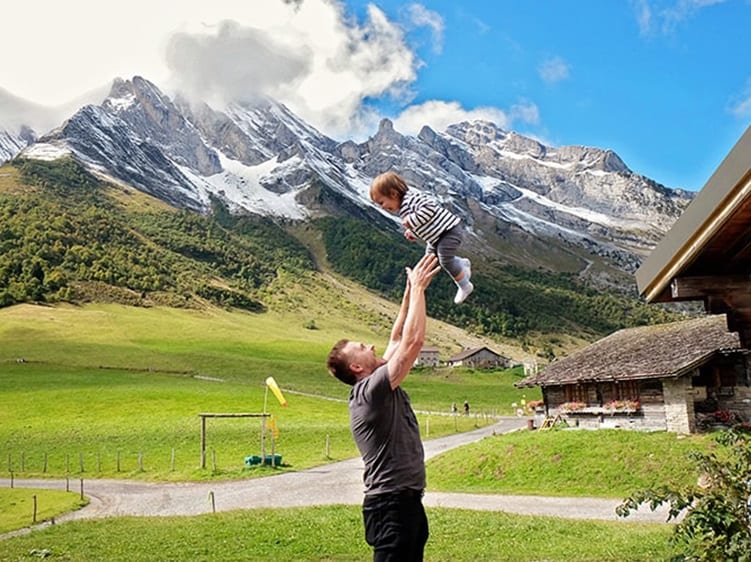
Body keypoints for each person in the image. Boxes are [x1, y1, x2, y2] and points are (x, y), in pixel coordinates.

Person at [326, 253, 442, 561]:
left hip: (405, 502)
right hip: (391, 506)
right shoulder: (371, 390)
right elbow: (412, 343)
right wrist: (417, 289)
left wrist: (410, 291)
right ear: (356, 366)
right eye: (364, 348)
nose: (373, 346)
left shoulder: (375, 379)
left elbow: (398, 334)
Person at [370, 171, 474, 304]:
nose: (382, 207)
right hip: (436, 236)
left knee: (445, 260)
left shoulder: (411, 199)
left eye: (381, 202)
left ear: (393, 193)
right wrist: (412, 231)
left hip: (448, 231)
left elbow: (430, 208)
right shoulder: (404, 208)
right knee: (429, 258)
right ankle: (460, 263)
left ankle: (465, 285)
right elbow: (425, 222)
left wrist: (411, 222)